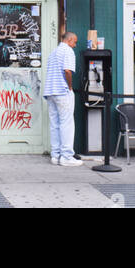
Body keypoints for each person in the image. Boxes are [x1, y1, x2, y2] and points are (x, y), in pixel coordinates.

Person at [43, 29, 80, 167]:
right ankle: (66, 156)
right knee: (67, 123)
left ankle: (56, 155)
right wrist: (70, 87)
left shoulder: (53, 53)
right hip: (62, 91)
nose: (75, 45)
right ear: (69, 40)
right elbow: (67, 71)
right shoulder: (68, 51)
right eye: (75, 42)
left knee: (55, 124)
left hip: (50, 92)